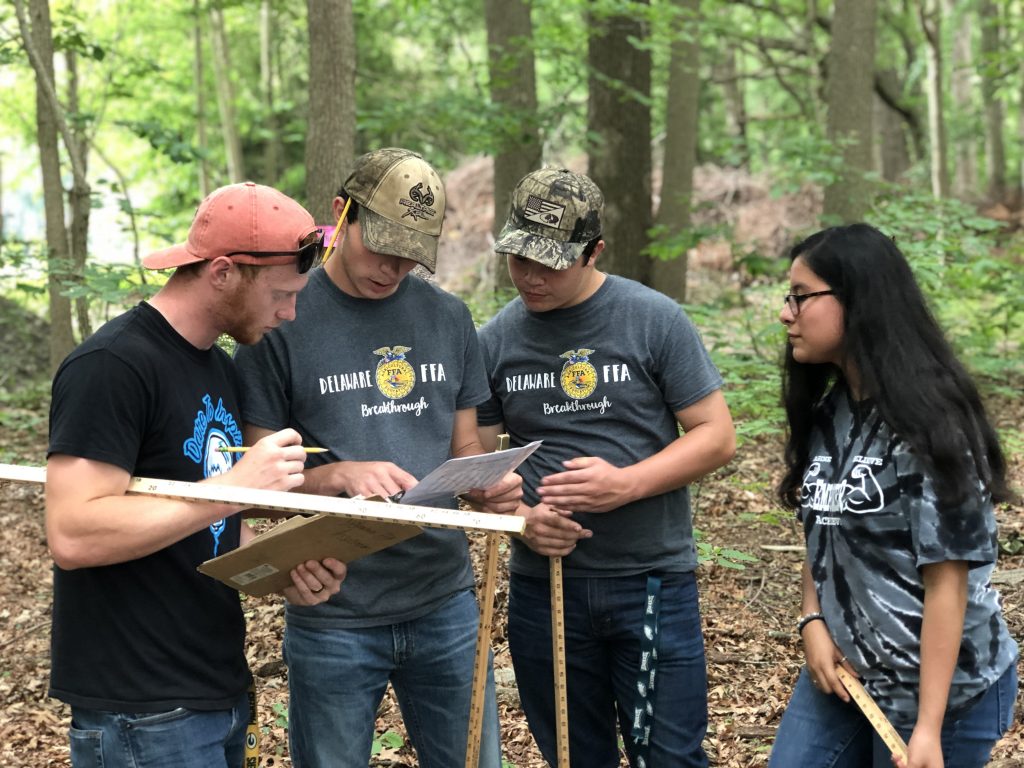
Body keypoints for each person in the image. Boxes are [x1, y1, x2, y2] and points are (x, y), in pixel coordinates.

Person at [233, 148, 521, 768]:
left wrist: (487, 485)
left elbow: (464, 448)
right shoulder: (281, 316)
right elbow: (253, 486)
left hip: (444, 599)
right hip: (334, 608)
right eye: (381, 246)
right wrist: (335, 476)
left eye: (411, 254)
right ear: (341, 216)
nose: (392, 268)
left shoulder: (446, 316)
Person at [45, 181, 349, 768]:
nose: (290, 314)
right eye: (282, 295)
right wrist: (235, 489)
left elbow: (206, 528)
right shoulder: (111, 367)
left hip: (215, 687)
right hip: (141, 708)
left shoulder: (220, 369)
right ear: (222, 272)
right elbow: (74, 533)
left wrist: (284, 569)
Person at [476, 167, 737, 768]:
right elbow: (478, 466)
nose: (530, 276)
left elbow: (716, 435)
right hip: (546, 588)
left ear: (594, 252)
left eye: (550, 262)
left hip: (650, 580)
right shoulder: (494, 340)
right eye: (518, 258)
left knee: (669, 756)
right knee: (572, 755)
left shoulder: (653, 318)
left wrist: (625, 485)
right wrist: (520, 518)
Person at [768, 223, 1019, 768]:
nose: (786, 313)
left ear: (858, 300)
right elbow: (823, 527)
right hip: (847, 675)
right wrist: (812, 619)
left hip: (941, 692)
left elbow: (948, 581)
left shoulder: (933, 422)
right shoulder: (829, 412)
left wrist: (928, 729)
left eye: (801, 297)